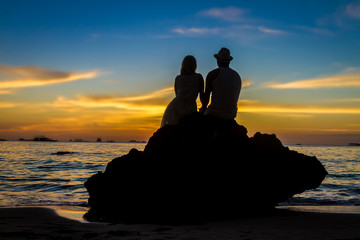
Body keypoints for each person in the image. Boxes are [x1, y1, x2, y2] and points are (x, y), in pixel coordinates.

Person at [161, 55, 204, 127]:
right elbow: (202, 95)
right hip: (190, 108)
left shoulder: (178, 78)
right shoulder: (198, 77)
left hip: (175, 107)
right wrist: (203, 107)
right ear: (194, 65)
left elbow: (177, 94)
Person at [200, 48, 242, 120]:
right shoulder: (237, 75)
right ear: (229, 61)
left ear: (217, 61)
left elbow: (206, 98)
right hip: (231, 114)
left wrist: (203, 108)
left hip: (214, 113)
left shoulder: (213, 74)